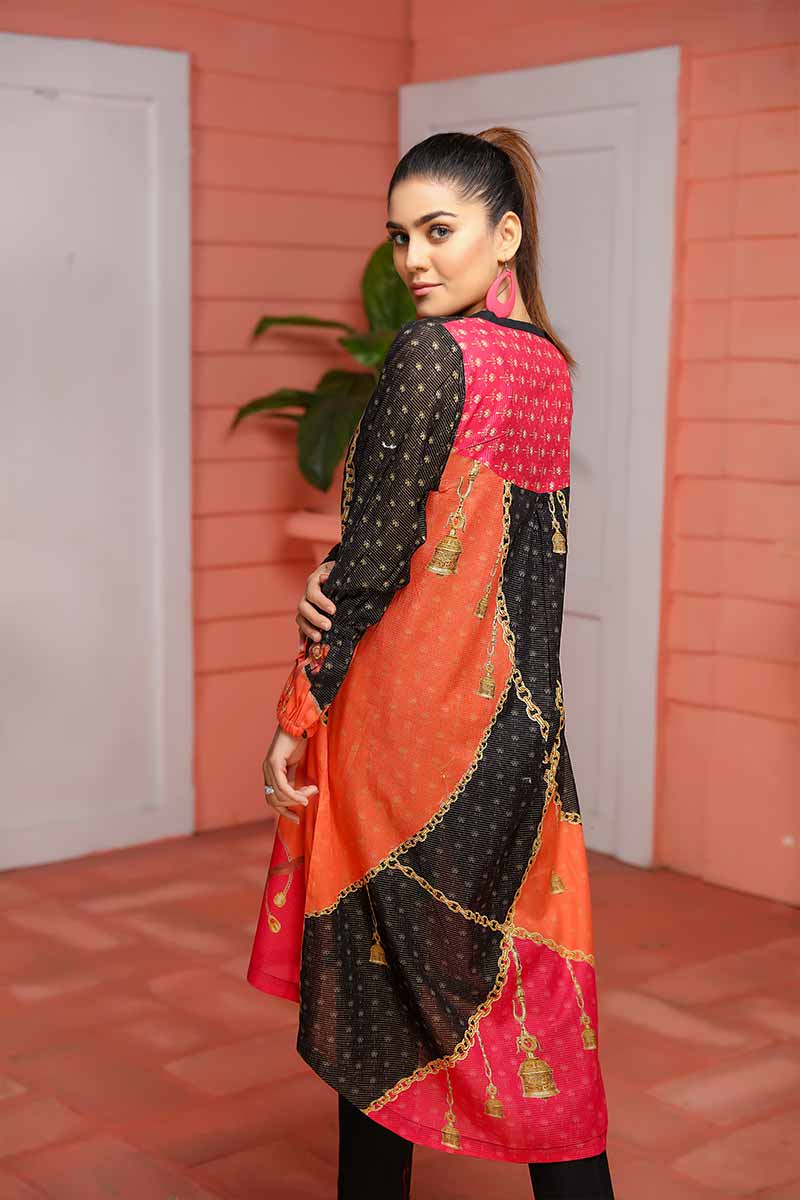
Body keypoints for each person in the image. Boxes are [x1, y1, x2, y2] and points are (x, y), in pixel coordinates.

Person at [248, 127, 616, 1199]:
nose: (413, 257)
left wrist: (298, 710)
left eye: (438, 231)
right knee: (532, 1011)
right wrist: (349, 565)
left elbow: (372, 563)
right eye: (400, 235)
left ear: (505, 235)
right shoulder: (549, 367)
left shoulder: (430, 353)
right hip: (520, 745)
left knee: (374, 1013)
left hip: (409, 742)